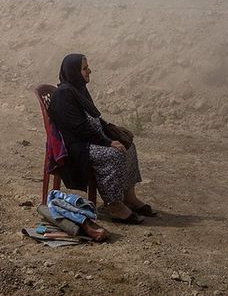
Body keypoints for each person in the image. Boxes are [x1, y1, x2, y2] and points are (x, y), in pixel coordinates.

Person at [48, 53, 156, 224]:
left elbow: (94, 118)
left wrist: (112, 131)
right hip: (76, 147)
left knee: (128, 145)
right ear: (73, 71)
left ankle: (130, 197)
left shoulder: (78, 89)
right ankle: (114, 205)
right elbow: (79, 129)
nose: (89, 71)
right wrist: (107, 142)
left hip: (90, 140)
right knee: (114, 154)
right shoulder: (64, 95)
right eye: (84, 68)